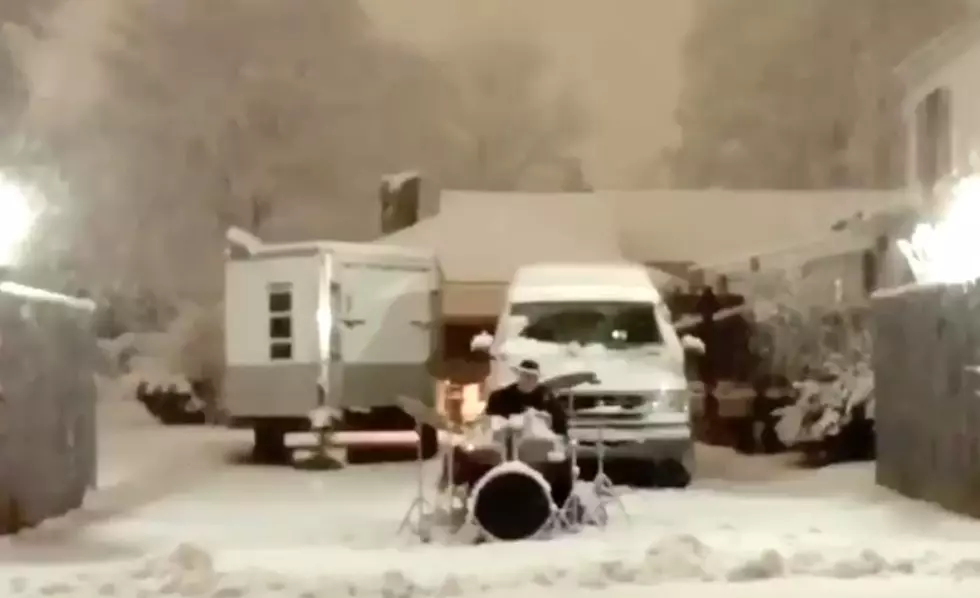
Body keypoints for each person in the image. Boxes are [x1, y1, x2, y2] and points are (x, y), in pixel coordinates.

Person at [484, 359, 568, 436]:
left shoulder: (546, 397)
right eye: (527, 376)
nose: (530, 380)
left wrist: (549, 421)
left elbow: (560, 424)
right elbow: (489, 423)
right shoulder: (501, 397)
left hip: (540, 442)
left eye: (534, 377)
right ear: (519, 375)